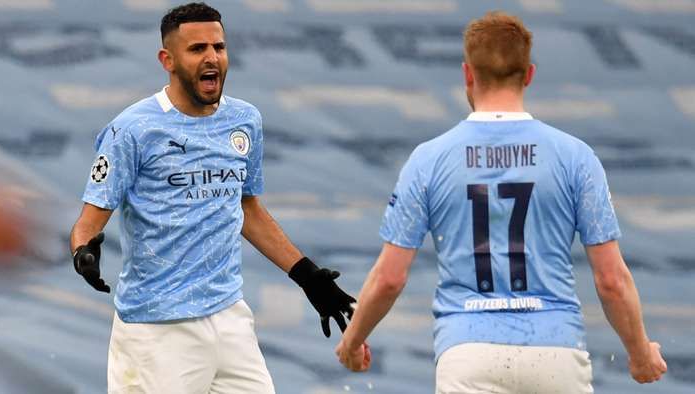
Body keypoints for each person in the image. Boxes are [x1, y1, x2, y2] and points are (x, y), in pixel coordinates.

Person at [335, 11, 667, 393]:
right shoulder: (575, 157)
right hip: (555, 351)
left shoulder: (429, 159)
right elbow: (611, 280)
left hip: (468, 351)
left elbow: (390, 278)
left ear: (467, 74)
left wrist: (352, 340)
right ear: (529, 75)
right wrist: (639, 352)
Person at [69, 3, 357, 393]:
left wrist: (306, 276)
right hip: (157, 329)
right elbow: (89, 222)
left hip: (229, 318)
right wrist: (83, 253)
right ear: (167, 60)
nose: (212, 58)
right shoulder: (132, 130)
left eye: (219, 47)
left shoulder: (244, 120)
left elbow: (246, 208)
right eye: (198, 49)